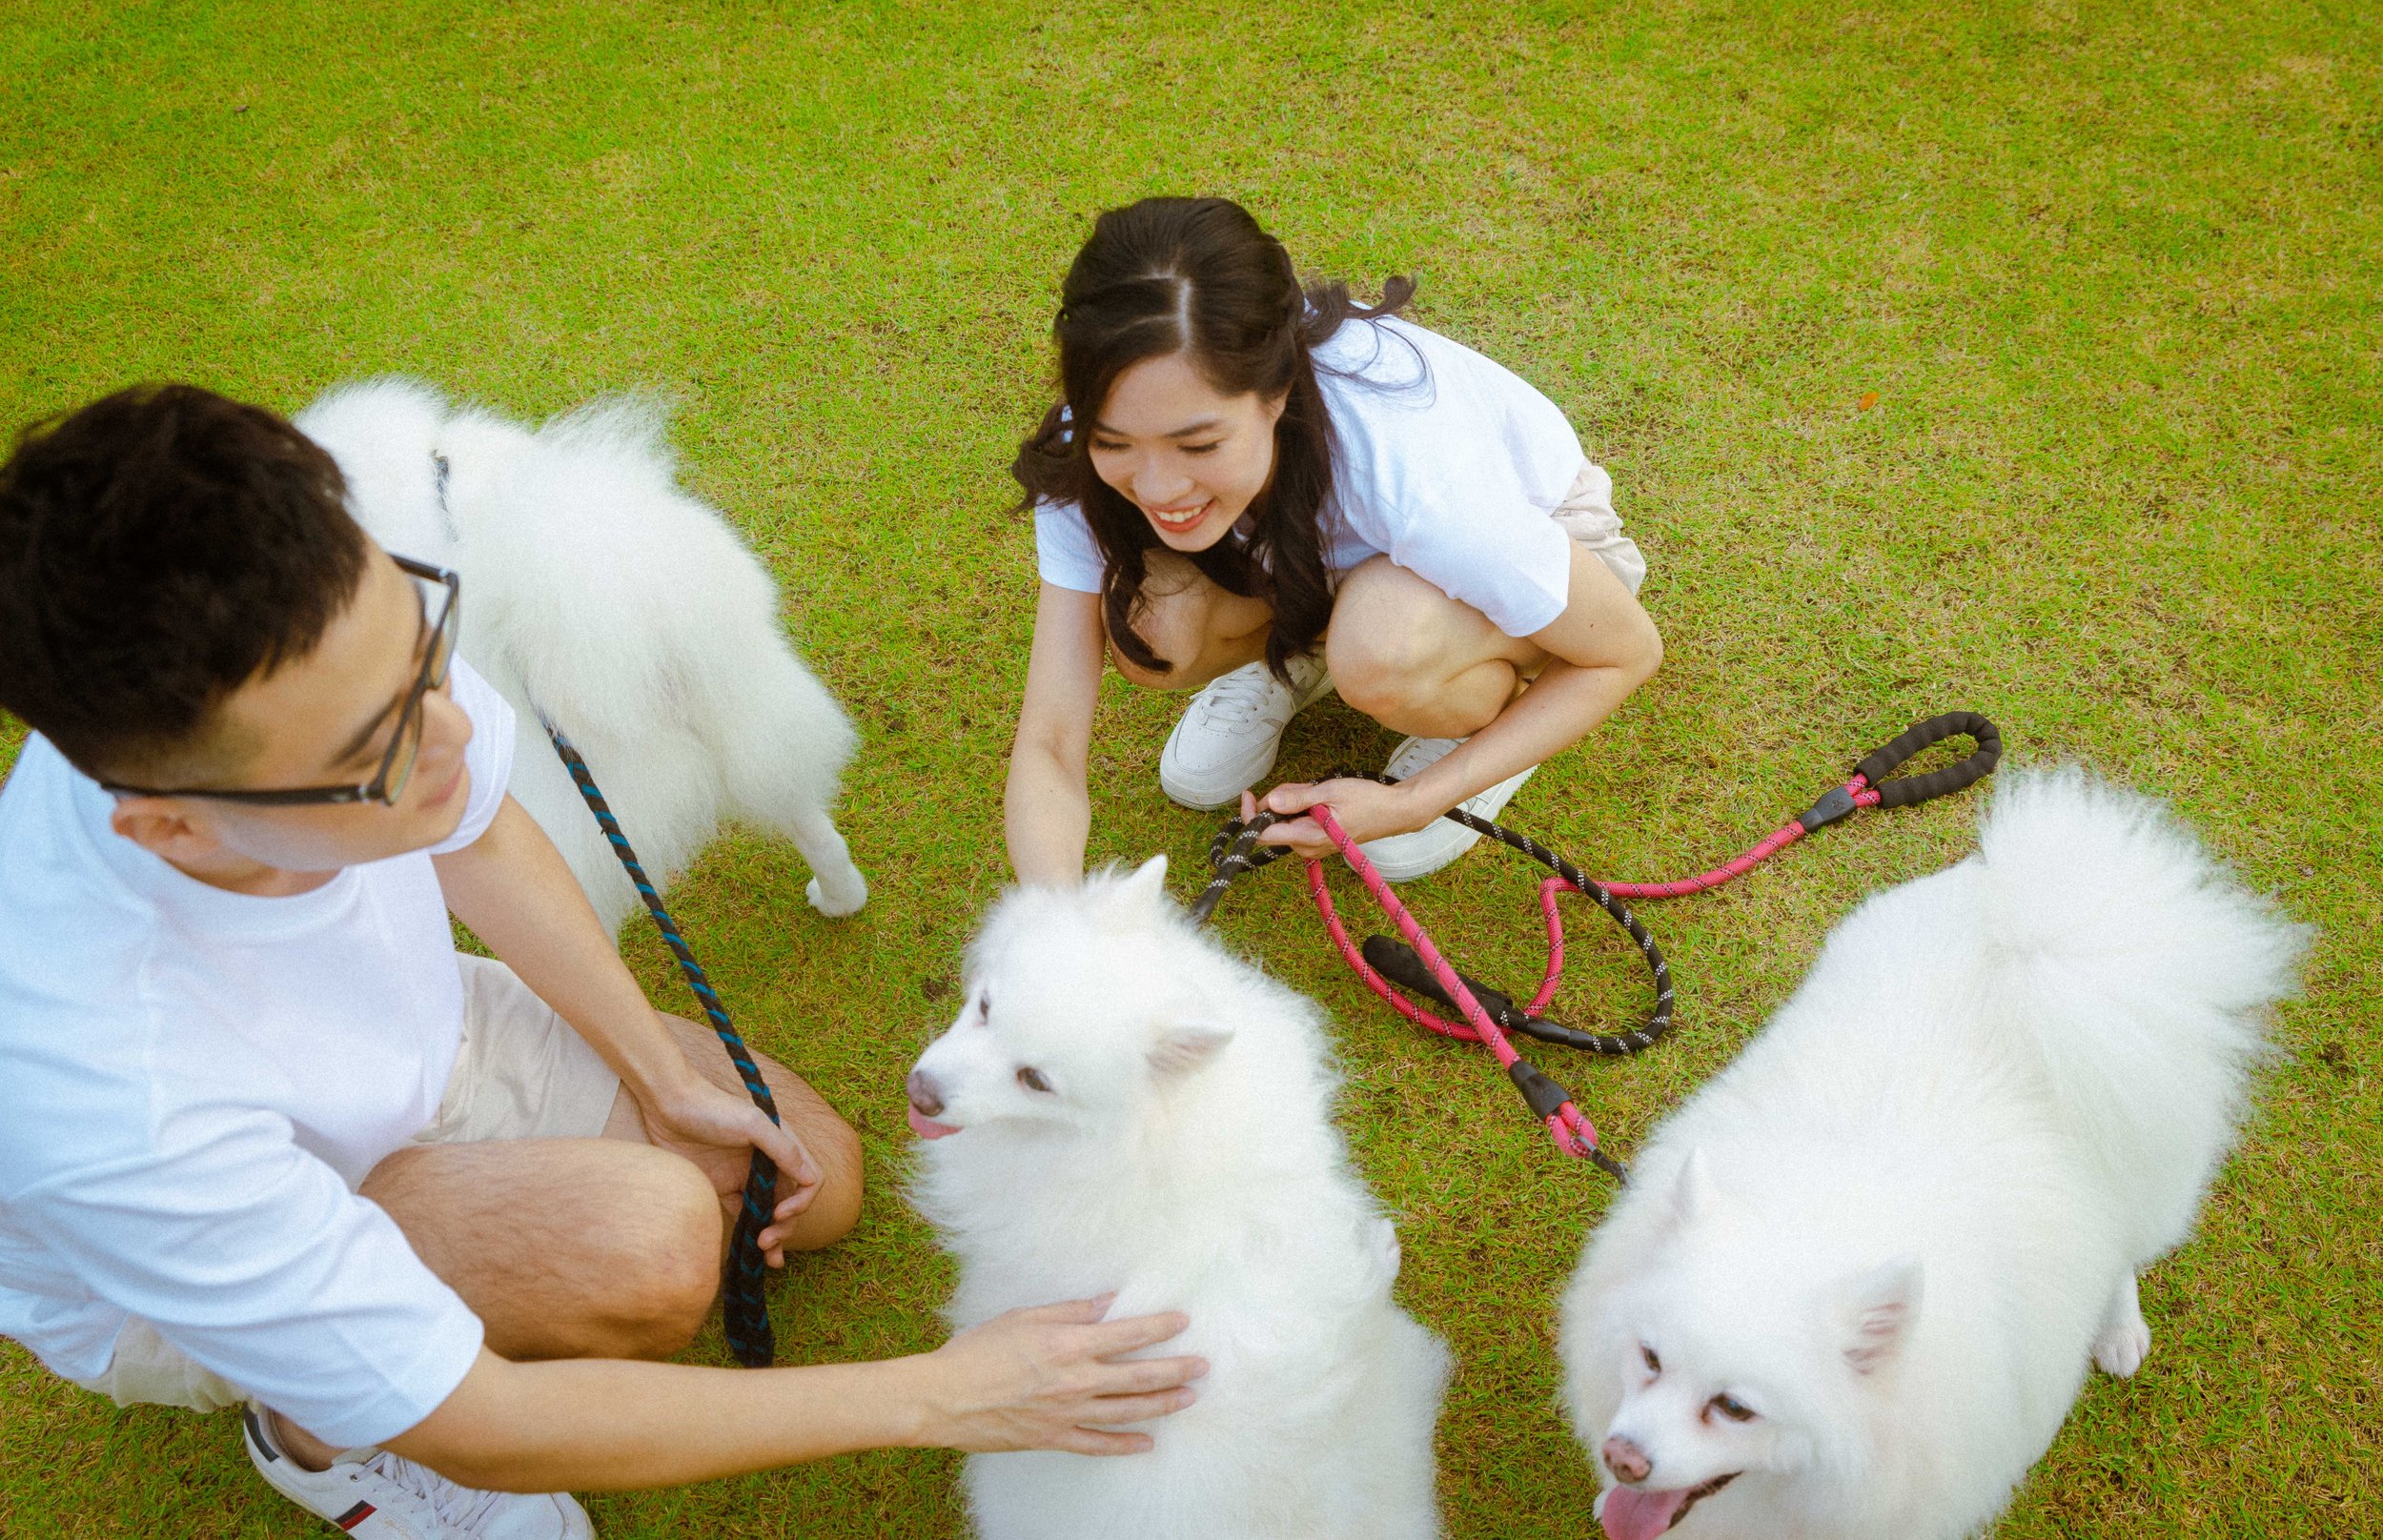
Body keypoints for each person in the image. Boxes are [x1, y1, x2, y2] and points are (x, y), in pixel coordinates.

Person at [0, 386, 1204, 1538]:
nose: (458, 732)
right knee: (653, 1244)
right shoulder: (111, 1097)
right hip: (217, 1221)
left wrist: (653, 1066)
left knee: (816, 1180)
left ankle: (437, 1244)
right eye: (379, 748)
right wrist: (942, 1394)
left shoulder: (332, 650)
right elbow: (483, 1417)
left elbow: (477, 829)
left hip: (425, 1041)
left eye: (425, 648)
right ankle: (312, 1426)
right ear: (167, 824)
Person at [1006, 197, 1663, 886]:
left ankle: (1481, 719)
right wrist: (1060, 925)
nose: (1160, 486)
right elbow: (1050, 737)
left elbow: (1623, 652)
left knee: (1380, 647)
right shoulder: (1086, 453)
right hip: (1320, 552)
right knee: (1151, 624)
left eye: (1198, 443)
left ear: (1277, 391)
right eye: (1116, 442)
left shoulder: (1408, 468)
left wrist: (1411, 803)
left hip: (1559, 545)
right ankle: (1309, 650)